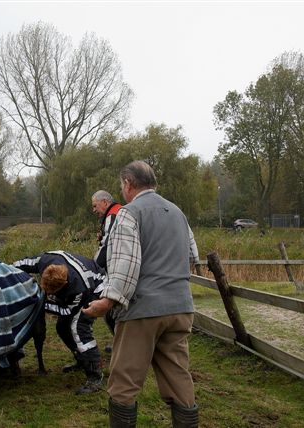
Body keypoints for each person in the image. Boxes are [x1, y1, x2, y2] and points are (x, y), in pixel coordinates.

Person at [83, 160, 199, 428]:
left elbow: (126, 264)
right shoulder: (178, 212)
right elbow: (193, 256)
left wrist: (108, 301)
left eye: (122, 186)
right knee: (178, 376)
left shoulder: (129, 213)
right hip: (180, 309)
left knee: (124, 382)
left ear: (128, 184)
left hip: (143, 311)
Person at [13, 250, 106, 394]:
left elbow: (67, 311)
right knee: (62, 327)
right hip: (79, 277)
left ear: (64, 284)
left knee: (79, 328)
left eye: (52, 292)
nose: (49, 294)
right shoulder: (44, 261)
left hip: (95, 288)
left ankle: (95, 375)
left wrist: (42, 304)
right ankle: (81, 359)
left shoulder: (77, 288)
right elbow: (19, 264)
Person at [91, 190, 123, 271]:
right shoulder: (120, 211)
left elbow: (106, 246)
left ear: (105, 202)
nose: (94, 210)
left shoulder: (111, 216)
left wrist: (93, 266)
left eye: (95, 206)